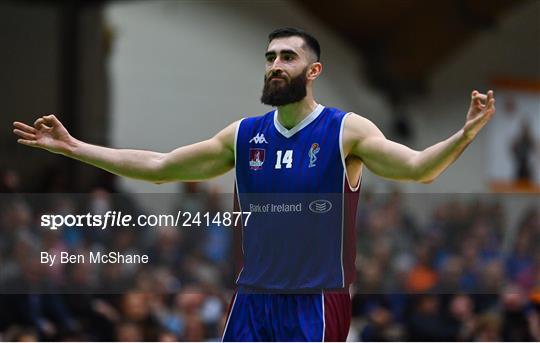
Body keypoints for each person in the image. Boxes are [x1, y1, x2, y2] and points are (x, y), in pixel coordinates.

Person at [13, 27, 496, 341]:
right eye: (270, 57)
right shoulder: (244, 135)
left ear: (314, 71)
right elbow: (160, 164)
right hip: (252, 299)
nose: (275, 65)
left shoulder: (346, 130)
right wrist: (75, 148)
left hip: (315, 301)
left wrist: (466, 133)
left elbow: (418, 168)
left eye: (287, 57)